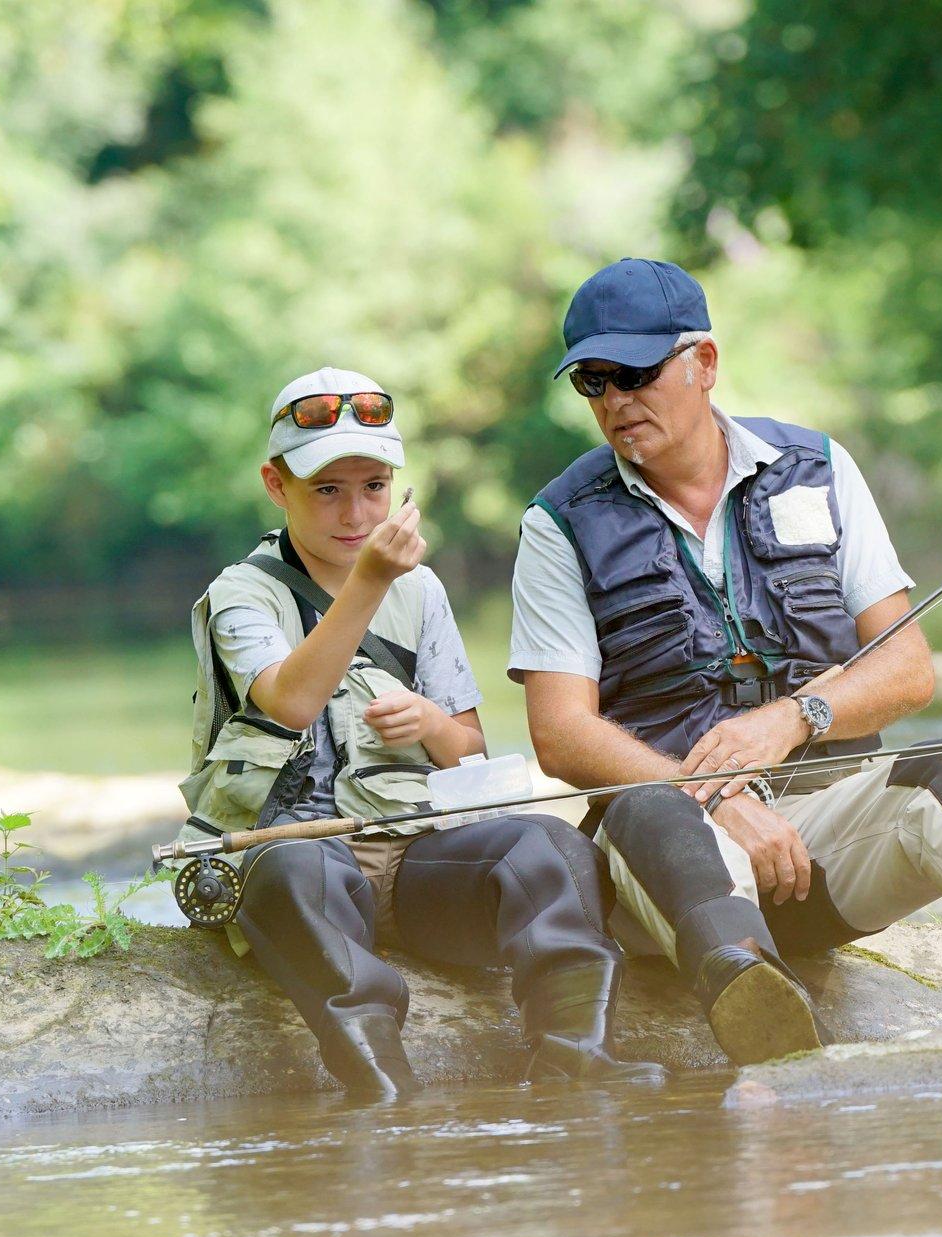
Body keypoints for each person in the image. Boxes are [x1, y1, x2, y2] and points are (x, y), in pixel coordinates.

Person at [509, 259, 942, 1066]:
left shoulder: (820, 468)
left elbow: (909, 670)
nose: (616, 400)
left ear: (704, 363)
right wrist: (710, 795)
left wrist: (798, 716)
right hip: (671, 864)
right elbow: (560, 733)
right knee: (648, 812)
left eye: (636, 373)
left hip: (825, 845)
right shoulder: (558, 523)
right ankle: (752, 990)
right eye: (593, 381)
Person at [177, 365, 664, 1098]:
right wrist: (371, 579)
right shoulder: (240, 594)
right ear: (276, 486)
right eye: (327, 491)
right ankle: (384, 1087)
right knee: (298, 871)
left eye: (373, 487)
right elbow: (287, 702)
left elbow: (469, 751)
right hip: (298, 865)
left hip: (415, 865)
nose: (355, 513)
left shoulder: (422, 588)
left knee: (551, 845)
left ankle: (574, 1055)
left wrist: (433, 723)